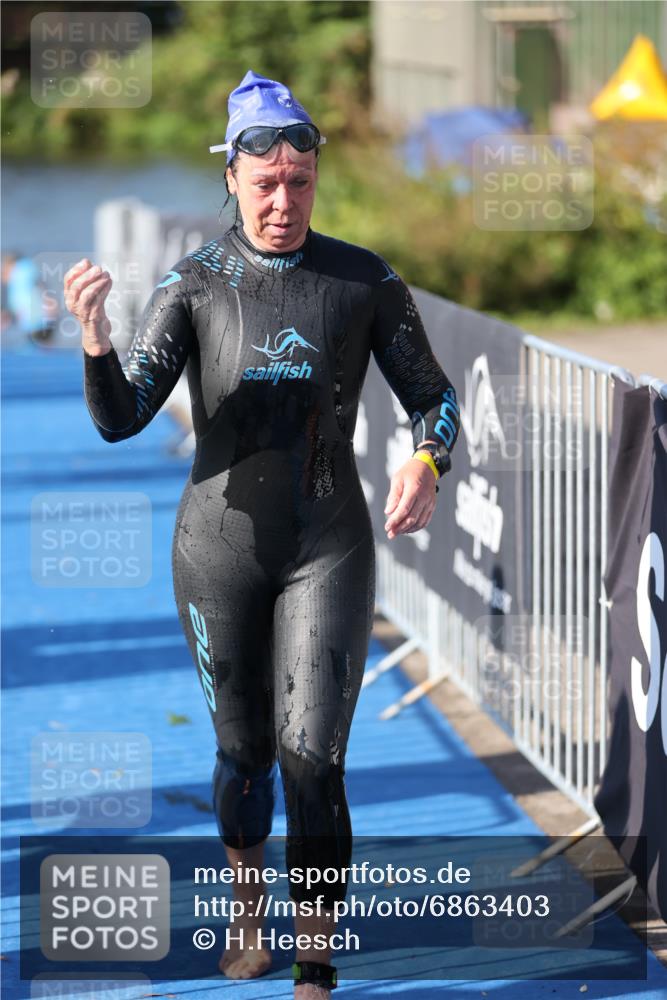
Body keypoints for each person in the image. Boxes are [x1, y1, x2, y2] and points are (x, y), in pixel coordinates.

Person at [65, 70, 460, 998]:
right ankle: (250, 914)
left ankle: (314, 963)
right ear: (232, 181)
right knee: (245, 757)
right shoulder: (194, 284)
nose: (284, 203)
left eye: (301, 184)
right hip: (219, 554)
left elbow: (435, 398)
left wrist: (425, 462)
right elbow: (122, 417)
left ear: (315, 178)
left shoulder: (362, 279)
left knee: (312, 759)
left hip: (329, 543)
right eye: (266, 185)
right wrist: (93, 338)